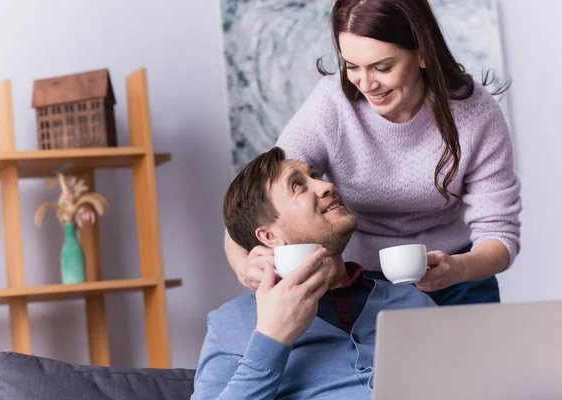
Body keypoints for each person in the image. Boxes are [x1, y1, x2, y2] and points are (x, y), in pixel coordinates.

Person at [225, 0, 521, 305]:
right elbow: (256, 202)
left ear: (422, 53)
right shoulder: (332, 106)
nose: (366, 84)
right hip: (360, 281)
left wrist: (457, 269)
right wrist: (244, 265)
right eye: (352, 66)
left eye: (383, 67)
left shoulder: (475, 113)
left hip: (460, 276)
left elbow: (499, 234)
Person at [192, 147, 436, 400]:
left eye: (316, 176)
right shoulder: (232, 322)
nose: (325, 186)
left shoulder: (411, 301)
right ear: (269, 237)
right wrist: (272, 338)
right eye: (298, 186)